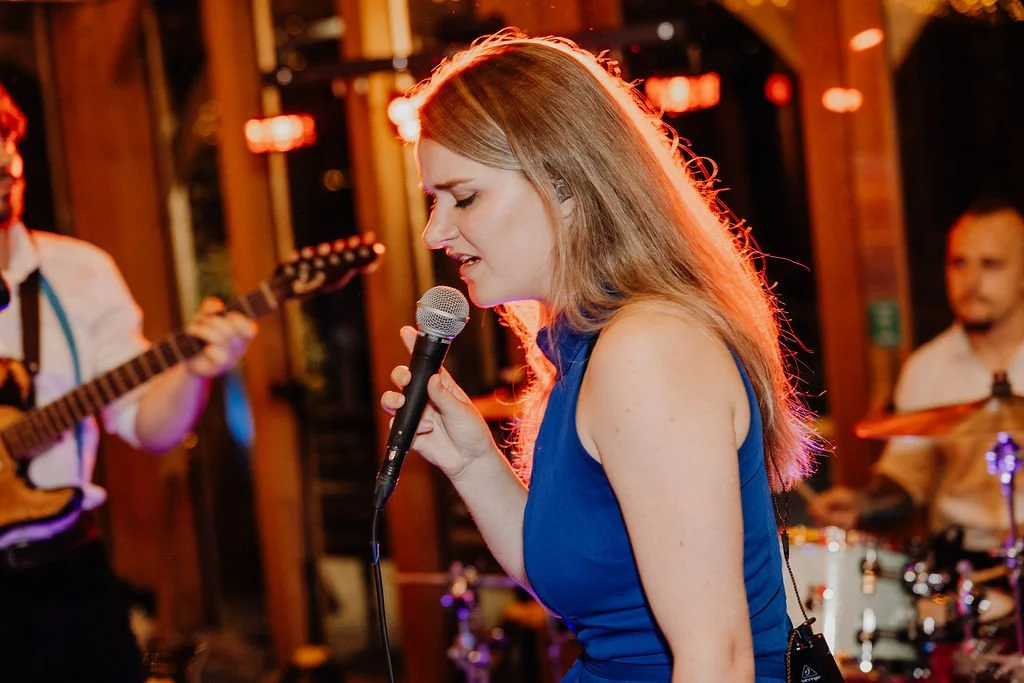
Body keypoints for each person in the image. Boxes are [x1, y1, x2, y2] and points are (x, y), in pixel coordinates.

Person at [379, 32, 817, 683]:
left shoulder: (648, 350)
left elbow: (717, 657)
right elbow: (593, 592)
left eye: (463, 197)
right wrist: (473, 463)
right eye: (433, 201)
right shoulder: (588, 350)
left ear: (565, 185)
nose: (434, 232)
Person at [0, 83, 255, 682]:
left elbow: (149, 427)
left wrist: (195, 373)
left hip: (66, 579)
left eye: (6, 153)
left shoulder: (78, 273)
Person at [808, 198, 1024, 560]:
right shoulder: (927, 367)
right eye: (959, 263)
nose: (970, 282)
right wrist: (862, 505)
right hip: (964, 561)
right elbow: (908, 478)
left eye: (991, 264)